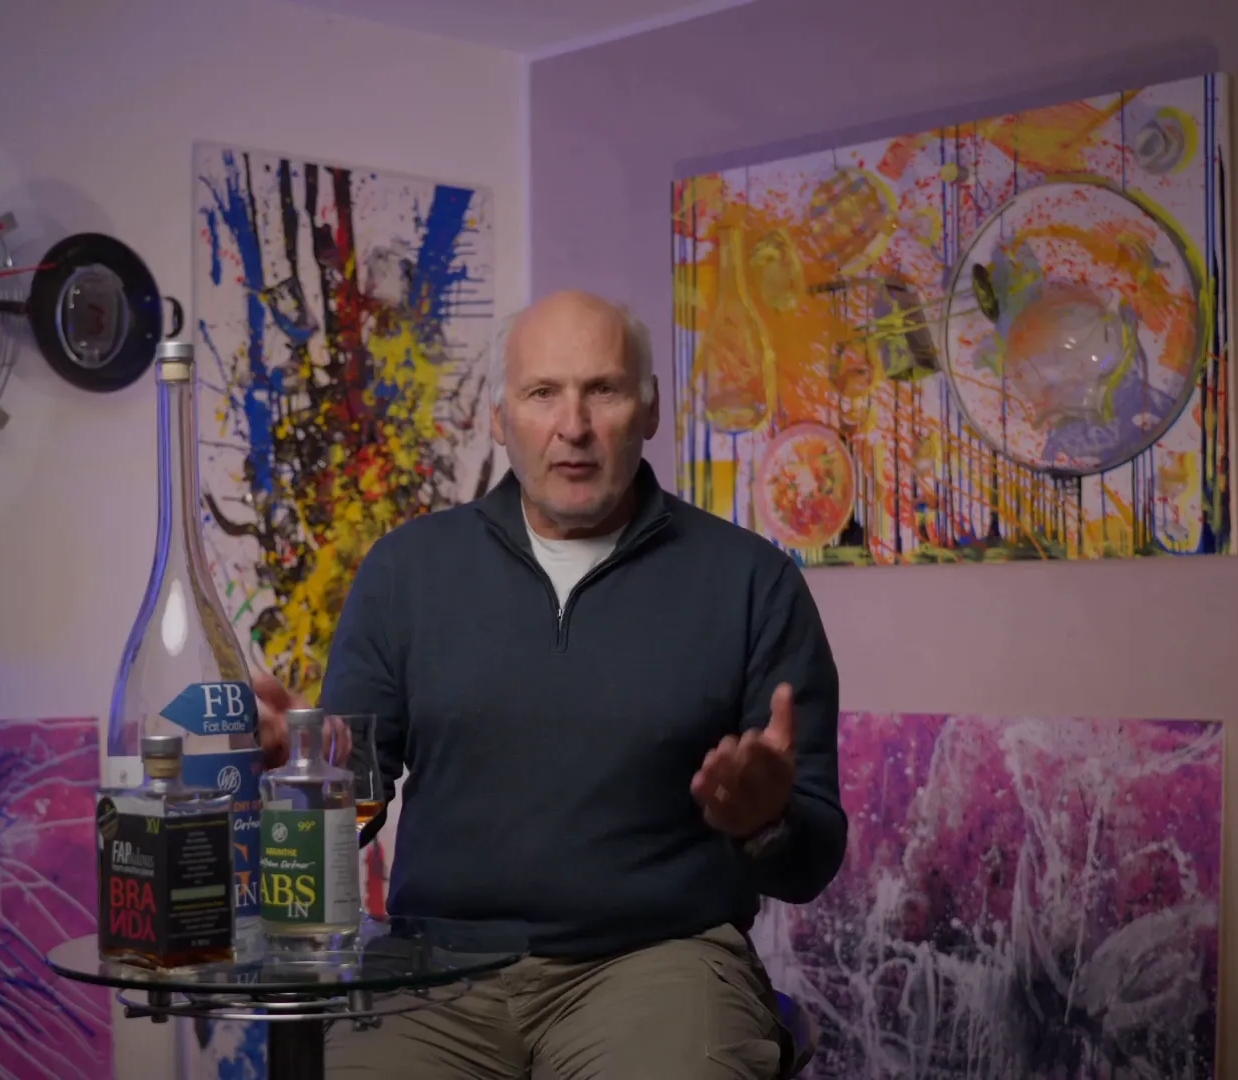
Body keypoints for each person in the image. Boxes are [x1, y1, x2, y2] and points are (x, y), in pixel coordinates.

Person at [251, 289, 846, 1079]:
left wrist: (766, 821)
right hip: (436, 973)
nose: (574, 425)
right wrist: (299, 770)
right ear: (500, 419)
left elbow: (811, 859)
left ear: (649, 410)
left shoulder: (751, 582)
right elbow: (356, 801)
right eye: (542, 393)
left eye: (603, 389)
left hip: (655, 965)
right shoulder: (406, 573)